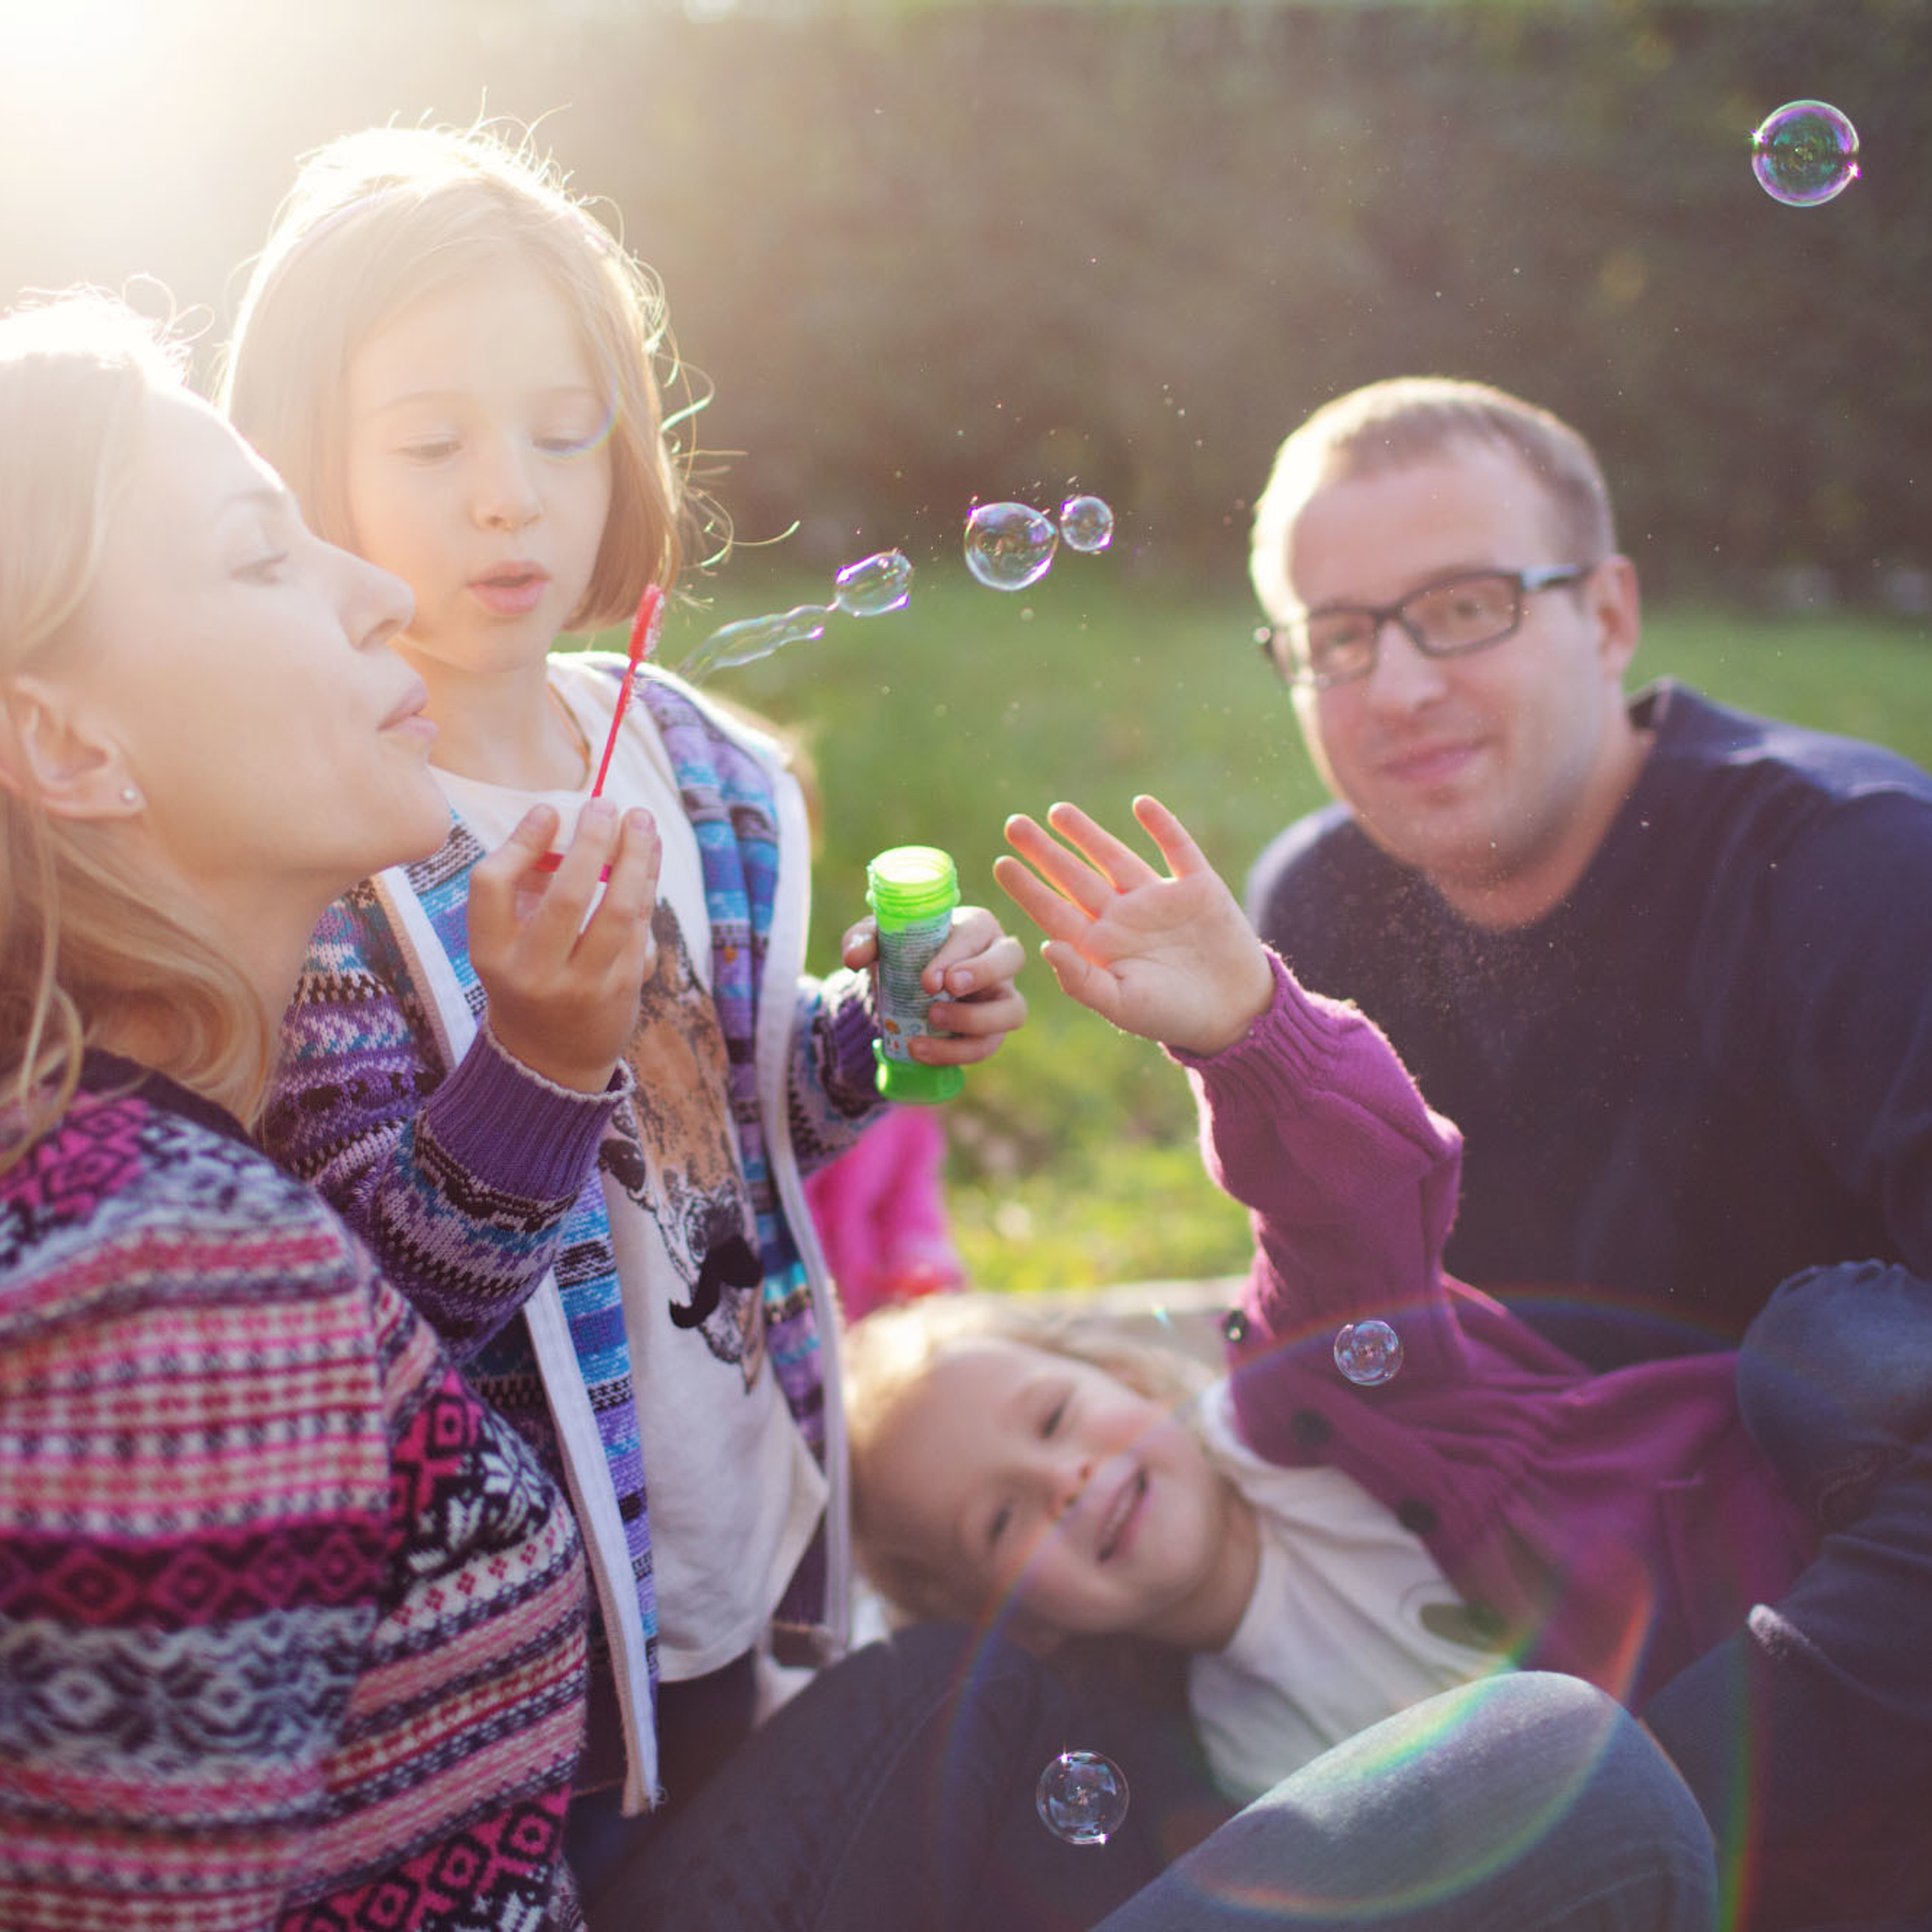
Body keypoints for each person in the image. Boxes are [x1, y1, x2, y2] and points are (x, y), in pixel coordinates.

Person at [215, 121, 1029, 1895]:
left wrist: (874, 1025)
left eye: (560, 427)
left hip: (729, 1528)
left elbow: (727, 1126)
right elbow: (388, 1295)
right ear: (296, 470)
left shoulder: (699, 771)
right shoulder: (313, 832)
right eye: (429, 441)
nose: (507, 490)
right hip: (514, 1639)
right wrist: (531, 1063)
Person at [847, 793, 1932, 1928]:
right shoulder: (1239, 1765)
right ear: (1024, 1624)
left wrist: (1248, 1039)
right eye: (1000, 1524)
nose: (1061, 1481)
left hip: (1817, 1582)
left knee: (1840, 1347)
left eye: (1056, 1418)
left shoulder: (1306, 1394)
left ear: (1130, 1380)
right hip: (1777, 1857)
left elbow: (1349, 1209)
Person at [0, 293, 610, 1927]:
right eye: (264, 557)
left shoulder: (109, 1183)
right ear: (65, 740)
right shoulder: (169, 1276)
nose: (385, 594)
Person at [1242, 376, 1932, 1368]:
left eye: (1467, 605)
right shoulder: (1315, 908)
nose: (1396, 691)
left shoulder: (1854, 872)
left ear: (1608, 618)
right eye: (1340, 637)